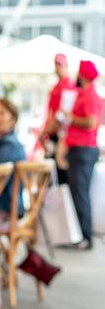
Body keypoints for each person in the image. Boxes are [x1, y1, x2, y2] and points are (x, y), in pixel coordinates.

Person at [62, 60, 104, 249]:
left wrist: (71, 118)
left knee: (80, 194)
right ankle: (79, 235)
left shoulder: (89, 95)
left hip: (83, 150)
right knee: (78, 193)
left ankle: (85, 238)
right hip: (80, 150)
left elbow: (91, 122)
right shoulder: (87, 94)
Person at [39, 53, 76, 183]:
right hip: (52, 133)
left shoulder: (68, 86)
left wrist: (44, 133)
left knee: (57, 178)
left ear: (66, 66)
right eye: (56, 64)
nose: (58, 67)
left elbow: (61, 117)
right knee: (51, 177)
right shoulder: (57, 86)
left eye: (60, 64)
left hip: (60, 134)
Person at [0, 97, 26, 217]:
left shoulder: (9, 147)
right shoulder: (1, 144)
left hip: (5, 212)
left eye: (1, 113)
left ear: (13, 120)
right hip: (5, 209)